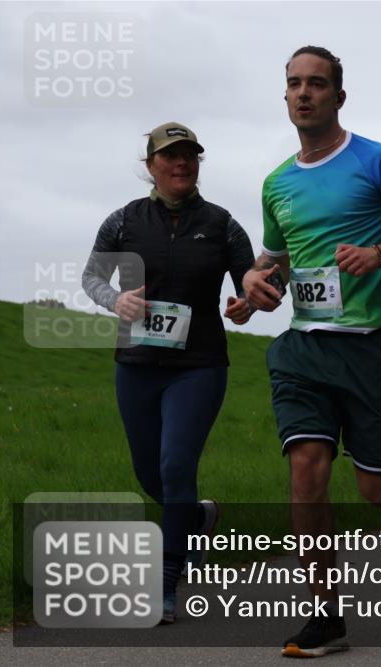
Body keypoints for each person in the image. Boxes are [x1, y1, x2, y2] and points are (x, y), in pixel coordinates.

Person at [242, 46, 381, 658]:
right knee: (305, 467)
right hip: (304, 348)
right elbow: (278, 259)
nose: (303, 93)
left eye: (316, 84)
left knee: (377, 493)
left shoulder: (377, 161)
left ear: (339, 95)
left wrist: (380, 253)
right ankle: (325, 614)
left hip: (371, 349)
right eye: (293, 85)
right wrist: (257, 288)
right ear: (285, 96)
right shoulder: (277, 183)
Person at [82, 122, 256, 624]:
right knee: (149, 473)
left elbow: (250, 283)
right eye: (170, 156)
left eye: (190, 156)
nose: (181, 164)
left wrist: (247, 304)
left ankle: (166, 583)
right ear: (151, 165)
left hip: (198, 365)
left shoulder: (222, 224)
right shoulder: (122, 221)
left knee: (177, 465)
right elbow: (92, 277)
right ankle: (198, 516)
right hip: (135, 364)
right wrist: (116, 299)